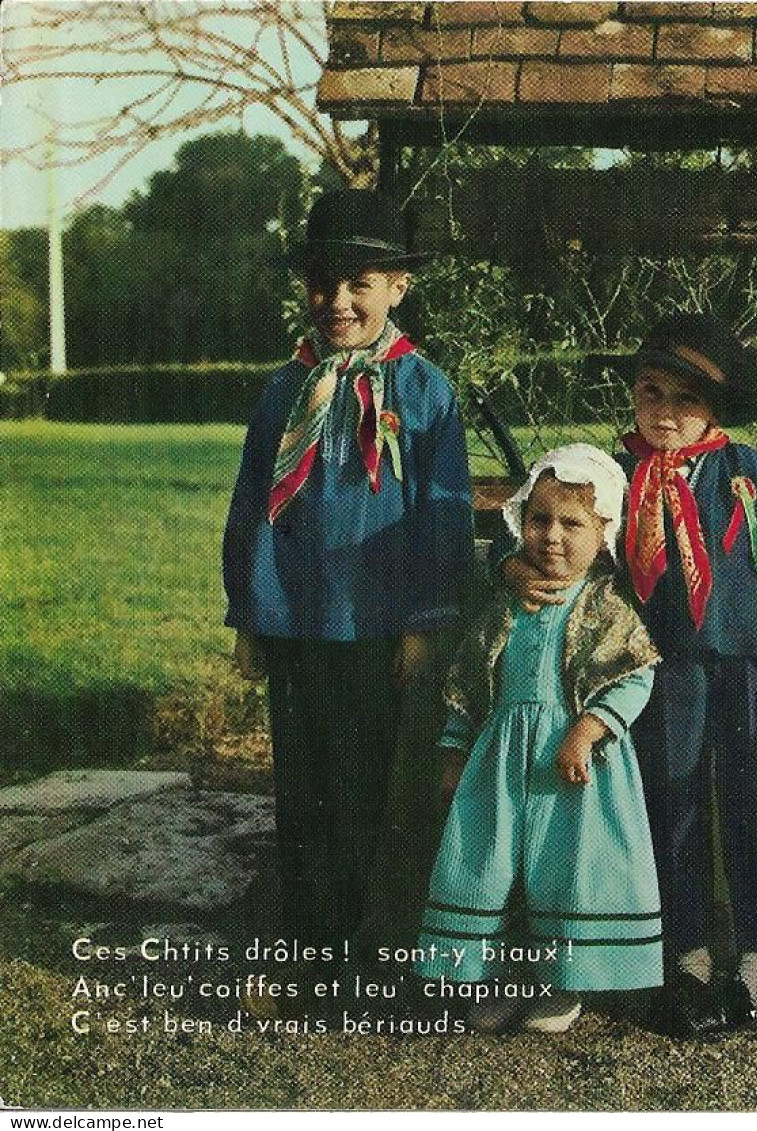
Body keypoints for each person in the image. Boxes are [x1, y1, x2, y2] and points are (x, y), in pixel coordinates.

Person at [503, 314, 757, 1035]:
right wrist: (515, 561)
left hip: (743, 653)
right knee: (672, 800)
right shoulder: (616, 478)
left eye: (685, 399)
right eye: (651, 392)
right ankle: (686, 952)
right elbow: (550, 519)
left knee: (743, 795)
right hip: (661, 661)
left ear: (714, 409)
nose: (665, 413)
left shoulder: (746, 470)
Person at [223, 189, 473, 952]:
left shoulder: (424, 391)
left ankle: (366, 935)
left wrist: (424, 625)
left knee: (368, 785)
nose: (337, 302)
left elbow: (441, 515)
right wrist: (252, 617)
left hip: (375, 624)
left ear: (398, 288)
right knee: (303, 785)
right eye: (323, 284)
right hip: (298, 621)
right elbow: (254, 506)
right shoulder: (283, 392)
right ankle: (309, 940)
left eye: (359, 284)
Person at [415, 444, 663, 1034]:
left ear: (603, 532)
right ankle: (504, 979)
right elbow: (472, 683)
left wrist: (587, 728)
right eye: (539, 519)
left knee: (563, 872)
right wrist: (455, 749)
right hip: (500, 761)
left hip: (572, 768)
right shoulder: (506, 604)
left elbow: (636, 675)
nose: (551, 536)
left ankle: (558, 987)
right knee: (498, 867)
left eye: (571, 524)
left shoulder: (606, 605)